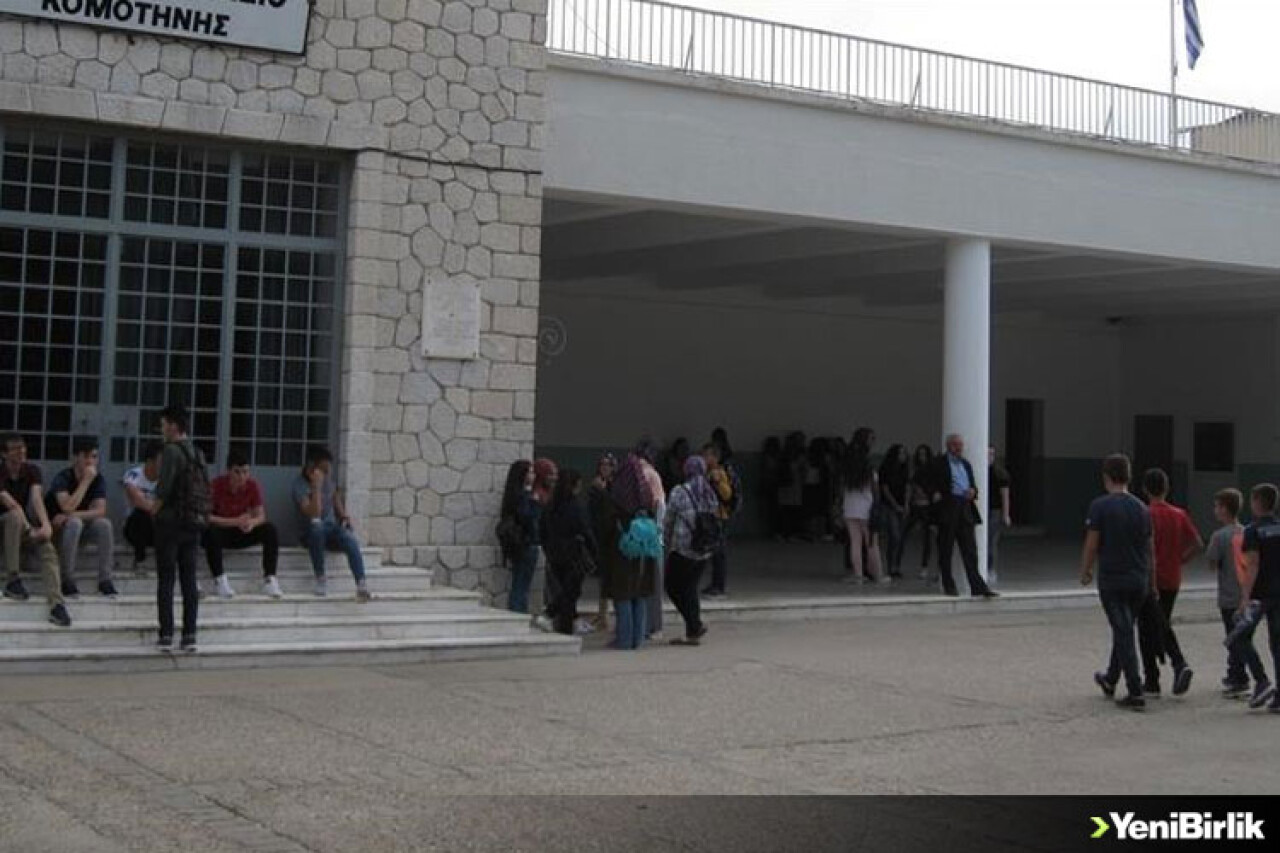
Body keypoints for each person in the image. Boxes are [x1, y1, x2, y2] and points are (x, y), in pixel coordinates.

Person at [1080, 454, 1154, 711]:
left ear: (1106, 477)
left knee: (1123, 632)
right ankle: (1111, 678)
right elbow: (1149, 547)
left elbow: (1092, 542)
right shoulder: (1142, 508)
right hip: (1138, 577)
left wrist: (1086, 569)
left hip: (1113, 578)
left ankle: (1135, 689)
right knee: (1124, 628)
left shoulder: (1100, 506)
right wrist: (1151, 578)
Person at [1, 433, 71, 627]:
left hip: (21, 527)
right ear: (4, 454)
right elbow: (12, 504)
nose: (21, 452)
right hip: (5, 526)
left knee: (47, 547)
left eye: (23, 447)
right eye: (15, 448)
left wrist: (46, 526)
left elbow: (36, 498)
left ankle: (57, 604)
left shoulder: (32, 470)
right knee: (14, 517)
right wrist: (28, 529)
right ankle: (13, 579)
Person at [152, 405, 206, 652]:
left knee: (166, 578)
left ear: (173, 426)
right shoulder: (197, 452)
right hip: (193, 521)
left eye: (164, 424)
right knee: (189, 579)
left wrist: (154, 510)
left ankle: (166, 634)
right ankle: (189, 634)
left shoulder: (171, 451)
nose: (162, 429)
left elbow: (163, 488)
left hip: (170, 522)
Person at [1142, 468, 1199, 696]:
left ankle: (1156, 676)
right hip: (1173, 578)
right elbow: (1197, 543)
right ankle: (1172, 666)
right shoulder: (1179, 514)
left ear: (1145, 489)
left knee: (1148, 628)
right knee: (1161, 622)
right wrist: (1181, 559)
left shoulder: (1145, 514)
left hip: (1151, 579)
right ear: (1166, 489)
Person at [1206, 488, 1267, 700]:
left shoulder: (1219, 536)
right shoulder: (1248, 531)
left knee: (1234, 637)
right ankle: (1235, 673)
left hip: (1229, 596)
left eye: (1217, 506)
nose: (1215, 510)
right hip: (1249, 593)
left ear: (1224, 509)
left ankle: (1240, 677)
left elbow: (1212, 563)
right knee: (1243, 636)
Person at [293, 445, 370, 602]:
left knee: (349, 538)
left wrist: (344, 517)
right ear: (311, 468)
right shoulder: (299, 485)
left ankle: (361, 583)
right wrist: (316, 488)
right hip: (311, 533)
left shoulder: (329, 481)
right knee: (317, 527)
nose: (327, 474)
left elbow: (336, 499)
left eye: (328, 470)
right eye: (324, 470)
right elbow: (315, 513)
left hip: (331, 529)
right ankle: (320, 578)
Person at [205, 448, 282, 599]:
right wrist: (235, 521)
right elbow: (206, 517)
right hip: (222, 531)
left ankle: (270, 578)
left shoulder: (252, 486)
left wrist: (251, 523)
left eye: (245, 472)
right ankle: (220, 580)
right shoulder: (216, 485)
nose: (242, 477)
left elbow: (261, 516)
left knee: (270, 530)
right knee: (209, 532)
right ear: (229, 471)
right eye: (237, 472)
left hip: (242, 531)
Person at [45, 438, 117, 598]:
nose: (90, 461)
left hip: (78, 526)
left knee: (104, 524)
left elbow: (100, 511)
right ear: (75, 458)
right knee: (75, 523)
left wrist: (69, 515)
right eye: (86, 456)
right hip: (58, 530)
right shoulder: (63, 477)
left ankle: (105, 579)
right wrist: (85, 481)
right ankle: (67, 579)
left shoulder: (98, 479)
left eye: (94, 457)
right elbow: (67, 506)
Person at [607, 442, 662, 649]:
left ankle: (624, 638)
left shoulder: (620, 497)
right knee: (639, 594)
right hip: (644, 547)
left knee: (623, 594)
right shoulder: (644, 496)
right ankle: (637, 639)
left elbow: (610, 519)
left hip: (624, 548)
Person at [1232, 484, 1280, 713]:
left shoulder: (1252, 531)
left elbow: (1253, 564)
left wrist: (1245, 597)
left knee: (1239, 636)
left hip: (1260, 595)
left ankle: (1261, 680)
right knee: (1277, 644)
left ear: (1258, 502)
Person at [931, 434, 997, 598]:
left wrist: (973, 491)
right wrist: (934, 494)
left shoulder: (965, 464)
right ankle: (949, 585)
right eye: (955, 445)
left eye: (960, 445)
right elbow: (925, 480)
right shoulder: (939, 463)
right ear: (948, 446)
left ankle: (977, 586)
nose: (959, 448)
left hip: (965, 508)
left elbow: (972, 484)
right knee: (946, 549)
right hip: (948, 507)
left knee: (970, 550)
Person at [665, 455, 717, 646]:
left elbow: (668, 520)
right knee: (690, 588)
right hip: (704, 549)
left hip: (683, 549)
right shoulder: (709, 492)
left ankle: (694, 625)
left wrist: (665, 543)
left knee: (672, 587)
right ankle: (692, 630)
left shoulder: (680, 492)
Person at [543, 469, 596, 636]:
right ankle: (553, 616)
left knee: (566, 589)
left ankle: (563, 624)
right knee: (570, 591)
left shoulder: (552, 506)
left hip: (555, 553)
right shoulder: (575, 506)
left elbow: (544, 529)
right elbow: (585, 529)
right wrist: (594, 551)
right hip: (572, 553)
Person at [841, 429, 887, 585]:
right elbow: (875, 490)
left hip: (850, 508)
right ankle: (879, 575)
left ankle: (858, 575)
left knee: (855, 543)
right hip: (867, 509)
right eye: (871, 439)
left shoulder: (847, 467)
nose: (873, 442)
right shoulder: (869, 467)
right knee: (872, 543)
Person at [499, 460, 540, 614]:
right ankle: (518, 613)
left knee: (521, 584)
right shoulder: (523, 496)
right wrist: (534, 502)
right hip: (525, 543)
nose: (533, 475)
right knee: (521, 585)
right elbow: (526, 517)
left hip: (521, 544)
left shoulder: (514, 495)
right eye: (530, 472)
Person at [586, 453, 617, 631]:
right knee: (602, 577)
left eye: (608, 465)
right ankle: (602, 612)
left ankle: (604, 614)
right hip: (599, 535)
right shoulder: (595, 487)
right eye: (602, 465)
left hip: (612, 536)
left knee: (609, 578)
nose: (605, 468)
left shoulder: (615, 487)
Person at [701, 442, 735, 599]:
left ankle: (719, 586)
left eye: (707, 455)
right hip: (710, 515)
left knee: (719, 553)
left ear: (715, 457)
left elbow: (727, 494)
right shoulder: (706, 472)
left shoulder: (719, 473)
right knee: (712, 553)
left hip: (719, 517)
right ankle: (714, 584)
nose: (704, 458)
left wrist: (717, 482)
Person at [122, 441, 163, 570]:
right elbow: (139, 502)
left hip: (159, 526)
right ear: (150, 461)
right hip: (135, 528)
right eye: (161, 461)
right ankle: (140, 559)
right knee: (141, 514)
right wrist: (159, 506)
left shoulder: (167, 478)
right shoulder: (134, 475)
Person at [902, 444, 938, 578]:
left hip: (927, 506)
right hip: (916, 505)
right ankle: (896, 564)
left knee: (927, 538)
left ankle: (925, 566)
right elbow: (910, 487)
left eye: (924, 455)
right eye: (920, 455)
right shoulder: (915, 471)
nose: (922, 458)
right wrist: (907, 504)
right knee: (903, 533)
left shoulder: (932, 471)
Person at [878, 444, 910, 579]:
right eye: (901, 453)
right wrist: (895, 504)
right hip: (889, 505)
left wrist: (906, 504)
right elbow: (885, 489)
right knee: (895, 535)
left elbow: (907, 486)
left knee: (900, 537)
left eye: (904, 453)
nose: (903, 456)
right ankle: (891, 565)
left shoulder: (905, 469)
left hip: (902, 504)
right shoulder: (885, 469)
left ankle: (896, 565)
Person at [987, 447, 1012, 586]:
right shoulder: (978, 470)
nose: (989, 457)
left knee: (991, 541)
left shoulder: (1000, 473)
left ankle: (991, 569)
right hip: (981, 509)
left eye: (991, 454)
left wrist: (1006, 514)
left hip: (994, 510)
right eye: (987, 454)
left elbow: (1005, 495)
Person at [759, 437, 783, 540]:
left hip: (770, 485)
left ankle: (774, 531)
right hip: (773, 486)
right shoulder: (773, 458)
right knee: (773, 509)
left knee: (771, 510)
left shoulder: (766, 458)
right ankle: (775, 531)